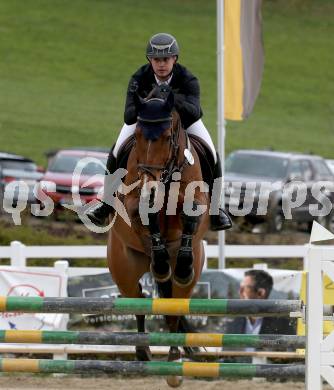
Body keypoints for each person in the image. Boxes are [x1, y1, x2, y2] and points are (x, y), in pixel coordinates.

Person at [87, 32, 232, 231]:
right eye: (156, 60)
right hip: (147, 122)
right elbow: (128, 116)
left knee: (213, 155)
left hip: (182, 123)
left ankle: (216, 210)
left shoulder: (188, 78)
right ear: (150, 60)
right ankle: (106, 204)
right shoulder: (139, 78)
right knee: (116, 149)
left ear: (174, 59)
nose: (161, 64)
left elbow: (194, 112)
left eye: (165, 59)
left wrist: (172, 98)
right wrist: (151, 102)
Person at [224, 269, 297, 335]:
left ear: (260, 293)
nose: (240, 292)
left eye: (245, 288)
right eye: (240, 287)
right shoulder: (233, 324)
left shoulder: (283, 326)